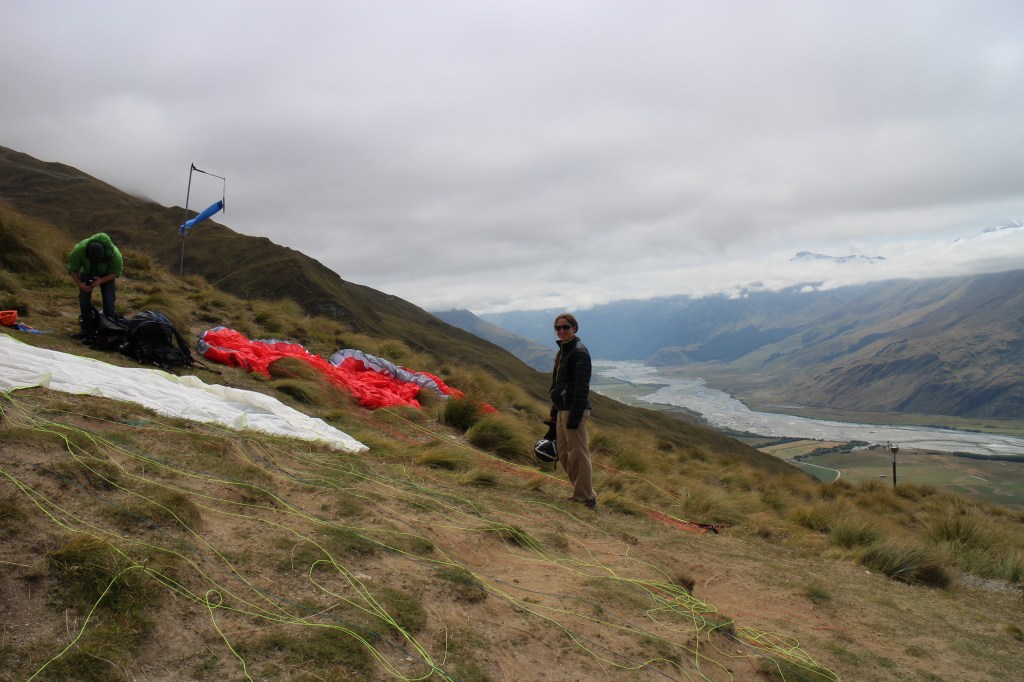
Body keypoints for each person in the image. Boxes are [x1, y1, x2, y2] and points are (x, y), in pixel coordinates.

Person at [549, 313, 596, 508]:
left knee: (578, 453)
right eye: (558, 328)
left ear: (575, 328)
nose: (561, 331)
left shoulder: (579, 352)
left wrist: (575, 417)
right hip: (562, 409)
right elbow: (559, 384)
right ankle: (582, 490)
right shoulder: (563, 352)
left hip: (573, 411)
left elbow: (581, 387)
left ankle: (585, 497)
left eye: (566, 327)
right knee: (564, 453)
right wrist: (554, 411)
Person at [67, 232, 123, 339]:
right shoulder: (79, 250)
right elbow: (72, 269)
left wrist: (101, 280)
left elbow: (116, 272)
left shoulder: (114, 253)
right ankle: (86, 329)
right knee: (84, 299)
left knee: (109, 301)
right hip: (87, 272)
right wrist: (80, 284)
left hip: (107, 275)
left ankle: (109, 331)